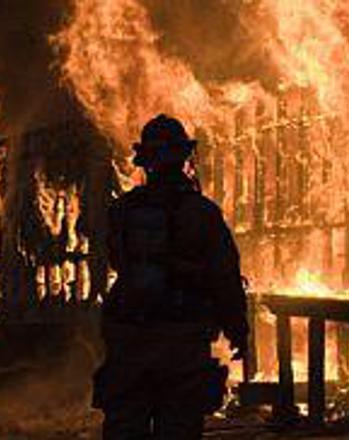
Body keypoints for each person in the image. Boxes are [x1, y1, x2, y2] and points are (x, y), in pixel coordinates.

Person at [93, 114, 249, 439]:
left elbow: (117, 260)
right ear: (183, 158)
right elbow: (224, 277)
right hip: (182, 339)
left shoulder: (123, 210)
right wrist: (237, 328)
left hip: (130, 337)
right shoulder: (202, 213)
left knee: (125, 424)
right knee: (178, 425)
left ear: (146, 161)